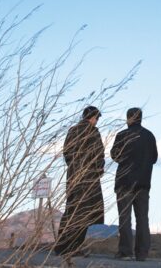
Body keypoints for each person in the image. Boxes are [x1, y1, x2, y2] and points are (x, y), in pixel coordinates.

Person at [54, 106, 105, 265]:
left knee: (71, 209)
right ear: (93, 117)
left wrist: (74, 167)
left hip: (73, 176)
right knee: (84, 213)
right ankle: (75, 246)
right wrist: (98, 169)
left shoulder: (72, 131)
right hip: (89, 179)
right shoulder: (93, 132)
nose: (96, 122)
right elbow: (99, 155)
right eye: (97, 118)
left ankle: (62, 246)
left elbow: (67, 153)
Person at [110, 107, 158, 261]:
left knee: (125, 217)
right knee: (142, 218)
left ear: (129, 118)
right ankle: (142, 252)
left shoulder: (122, 135)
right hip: (143, 182)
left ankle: (125, 251)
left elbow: (114, 155)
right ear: (141, 118)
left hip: (124, 182)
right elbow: (154, 158)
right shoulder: (149, 136)